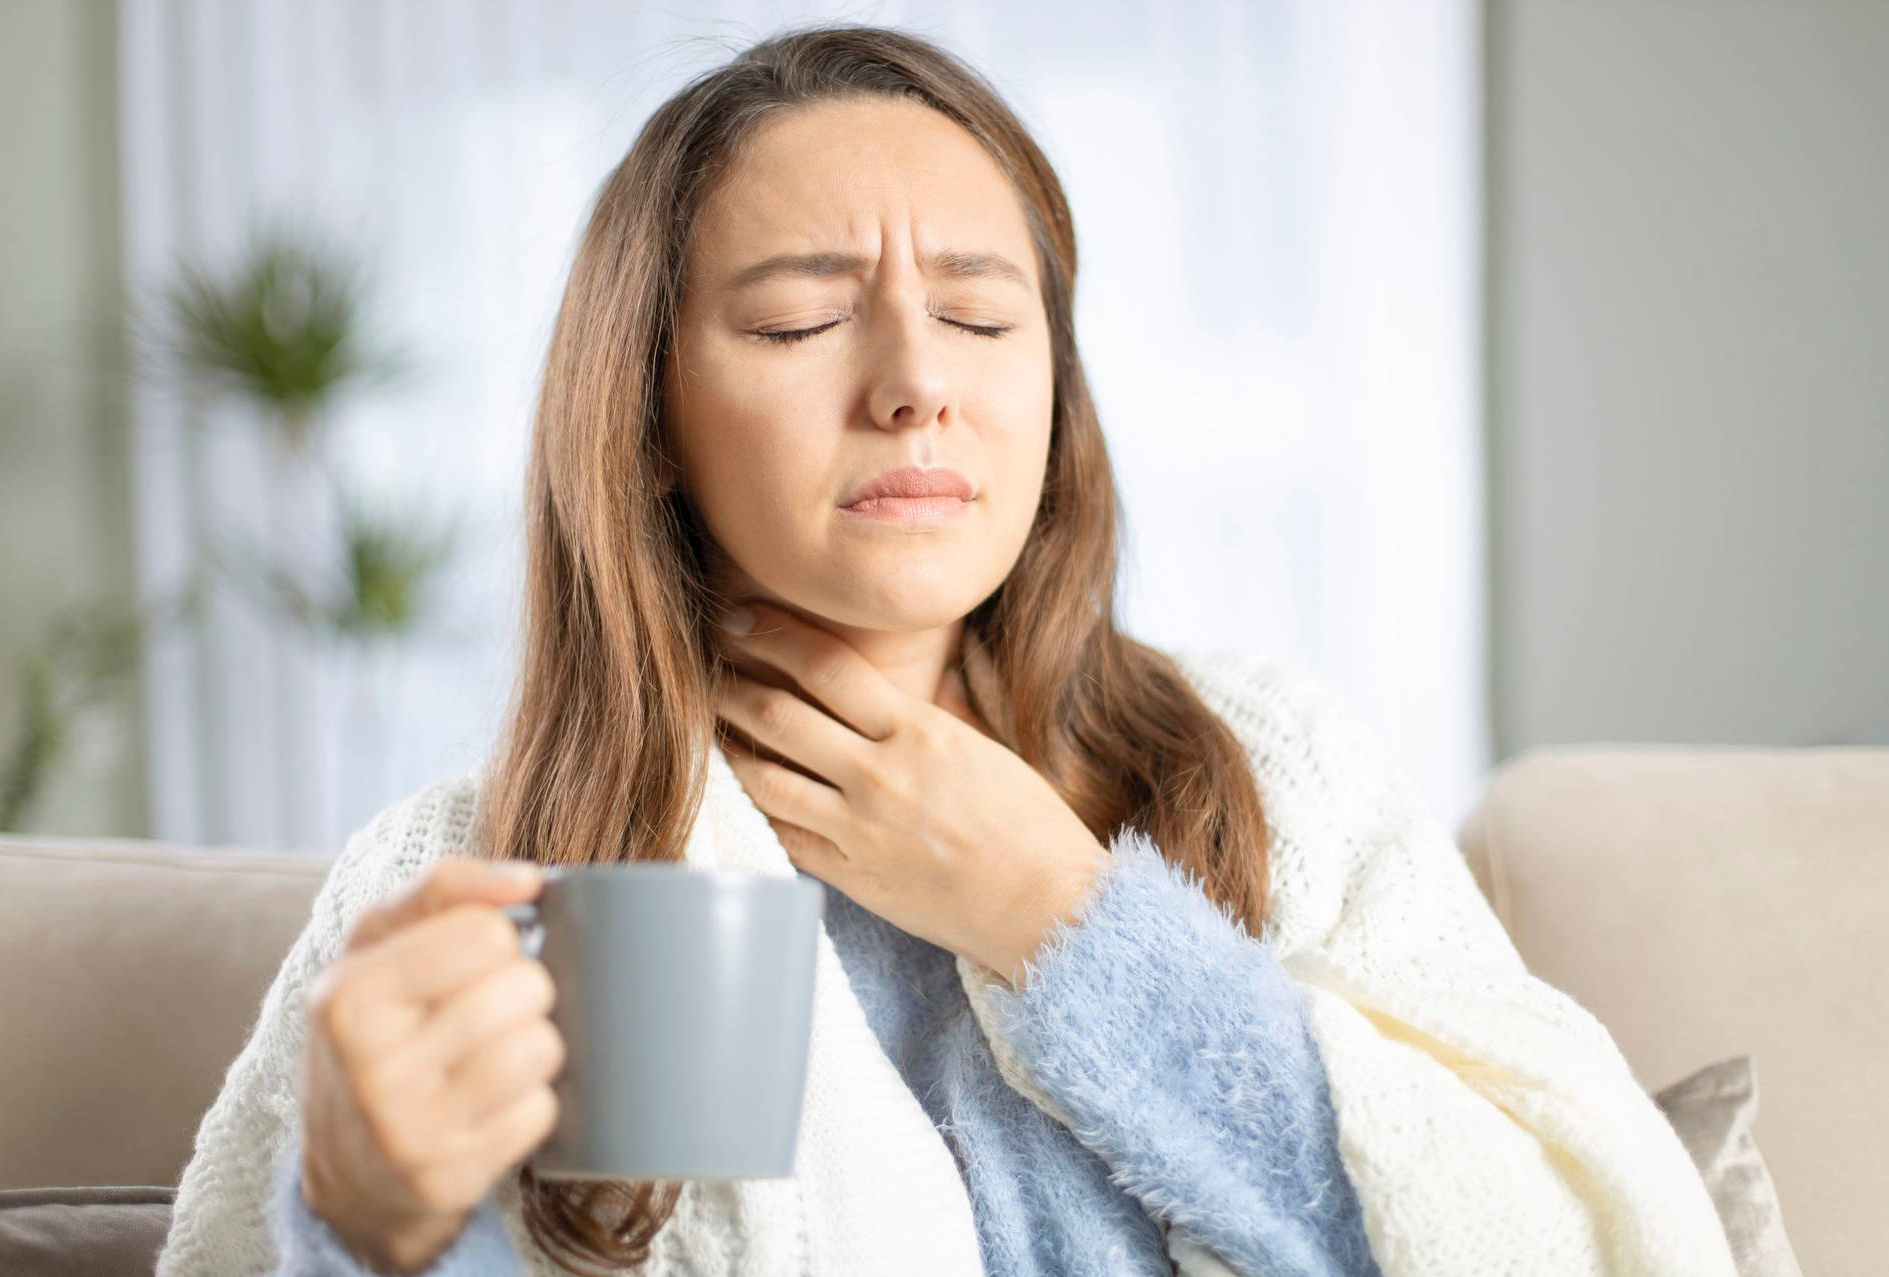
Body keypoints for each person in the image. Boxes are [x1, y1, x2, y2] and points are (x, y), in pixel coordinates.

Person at [154, 22, 1738, 1277]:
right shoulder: (466, 870)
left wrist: (1060, 916)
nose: (917, 382)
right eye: (795, 322)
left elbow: (1556, 1239)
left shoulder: (1273, 775)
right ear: (646, 421)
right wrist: (374, 1232)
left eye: (983, 319)